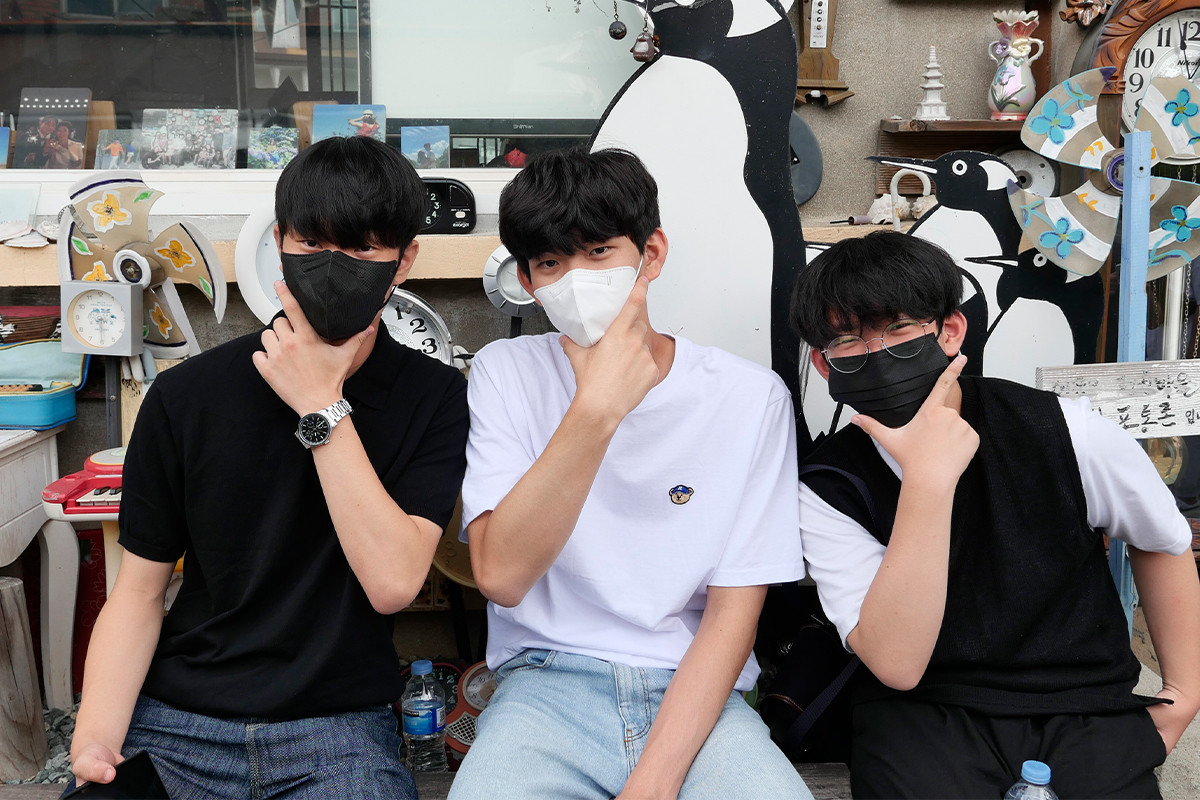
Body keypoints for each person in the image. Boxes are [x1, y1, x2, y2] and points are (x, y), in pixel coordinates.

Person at [68, 135, 469, 800]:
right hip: (177, 724)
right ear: (278, 241)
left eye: (362, 249)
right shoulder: (188, 396)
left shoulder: (434, 396)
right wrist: (95, 741)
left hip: (336, 731)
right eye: (311, 243)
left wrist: (320, 404)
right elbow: (137, 594)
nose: (333, 266)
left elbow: (393, 583)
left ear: (404, 260)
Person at [449, 147, 811, 800]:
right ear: (526, 280)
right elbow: (501, 576)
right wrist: (596, 409)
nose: (576, 280)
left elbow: (734, 615)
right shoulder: (506, 373)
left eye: (599, 253)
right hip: (543, 684)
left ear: (651, 253)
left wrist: (653, 783)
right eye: (550, 263)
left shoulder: (748, 398)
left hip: (697, 694)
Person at [792, 230, 1200, 799]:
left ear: (950, 331)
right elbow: (896, 663)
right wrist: (928, 483)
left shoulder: (1063, 430)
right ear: (823, 362)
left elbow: (1163, 540)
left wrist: (1185, 693)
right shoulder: (830, 487)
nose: (877, 354)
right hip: (923, 711)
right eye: (847, 341)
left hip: (1084, 703)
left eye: (899, 329)